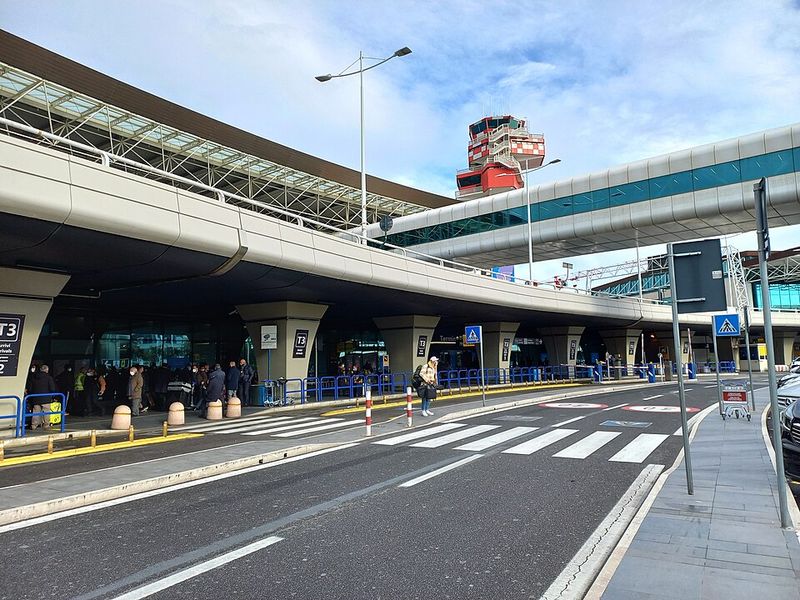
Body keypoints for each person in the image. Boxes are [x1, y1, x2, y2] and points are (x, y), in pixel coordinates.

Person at [28, 364, 57, 430]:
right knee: (46, 412)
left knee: (36, 412)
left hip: (36, 398)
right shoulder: (49, 377)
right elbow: (52, 389)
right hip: (46, 398)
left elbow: (30, 387)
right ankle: (46, 425)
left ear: (40, 369)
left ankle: (34, 425)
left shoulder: (34, 377)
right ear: (47, 370)